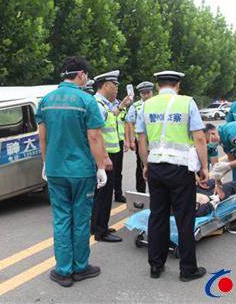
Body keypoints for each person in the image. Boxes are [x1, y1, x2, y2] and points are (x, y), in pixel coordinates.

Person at [36, 56, 112, 287]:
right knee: (80, 219)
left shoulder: (46, 101)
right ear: (80, 74)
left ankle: (62, 270)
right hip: (81, 172)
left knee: (61, 219)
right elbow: (95, 137)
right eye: (86, 75)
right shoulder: (86, 101)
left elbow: (42, 136)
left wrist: (45, 163)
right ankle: (80, 267)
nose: (86, 79)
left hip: (56, 170)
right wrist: (101, 167)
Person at [136, 70, 208, 281]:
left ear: (158, 86)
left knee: (157, 216)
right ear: (177, 85)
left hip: (156, 166)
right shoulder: (187, 103)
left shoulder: (146, 105)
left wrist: (146, 165)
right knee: (184, 218)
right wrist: (204, 168)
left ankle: (155, 266)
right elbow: (199, 138)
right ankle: (187, 270)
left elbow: (142, 140)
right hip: (180, 168)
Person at [91, 70, 132, 242]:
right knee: (104, 194)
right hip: (104, 156)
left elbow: (112, 117)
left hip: (109, 154)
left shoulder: (105, 104)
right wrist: (104, 157)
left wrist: (121, 105)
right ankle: (101, 231)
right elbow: (96, 134)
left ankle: (97, 226)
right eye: (115, 86)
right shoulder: (98, 105)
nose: (116, 89)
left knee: (102, 193)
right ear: (106, 85)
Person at [125, 81, 154, 193]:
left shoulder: (158, 103)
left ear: (152, 92)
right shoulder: (135, 106)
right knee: (141, 165)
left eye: (148, 93)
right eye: (143, 93)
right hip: (141, 141)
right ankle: (140, 191)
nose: (146, 95)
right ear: (140, 94)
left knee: (156, 166)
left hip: (155, 141)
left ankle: (155, 190)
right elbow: (130, 122)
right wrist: (132, 140)